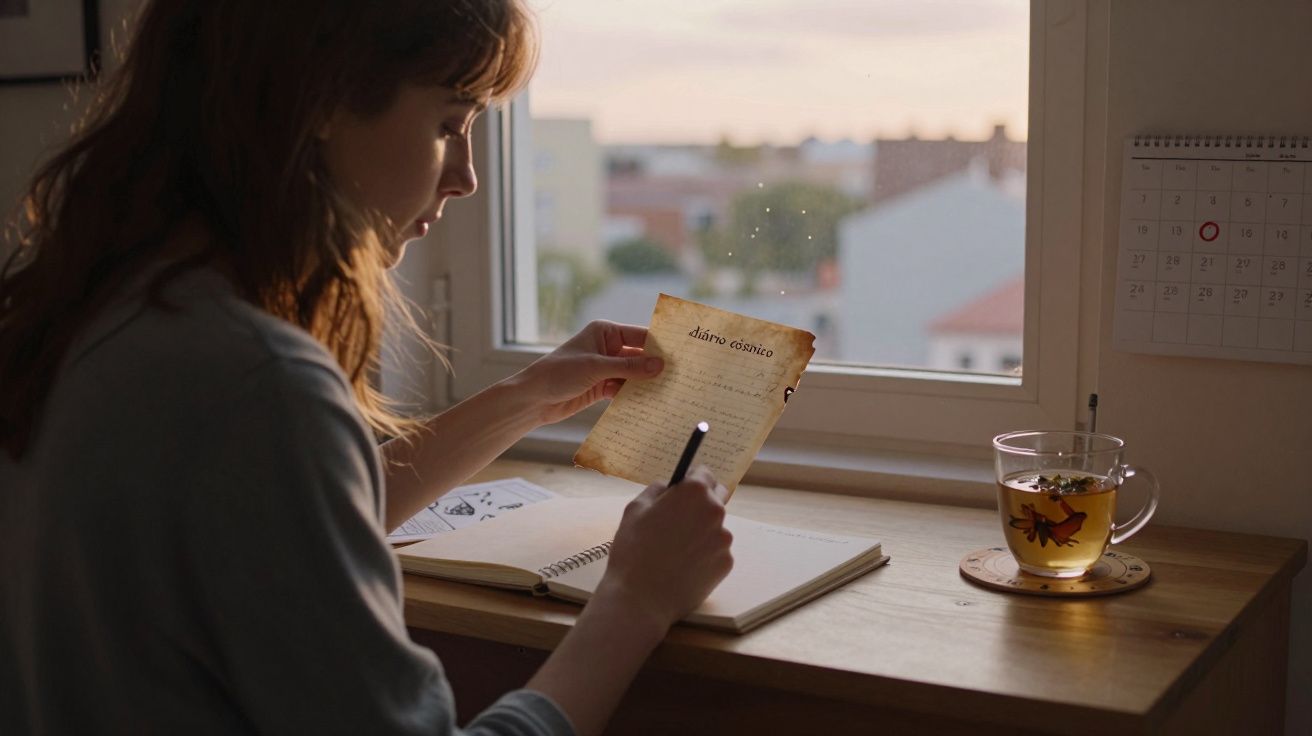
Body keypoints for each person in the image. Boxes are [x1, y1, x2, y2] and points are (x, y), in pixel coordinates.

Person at [0, 2, 733, 734]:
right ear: (320, 98)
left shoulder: (102, 312)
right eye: (449, 124)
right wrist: (634, 599)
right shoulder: (256, 384)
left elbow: (280, 527)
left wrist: (524, 397)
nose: (469, 176)